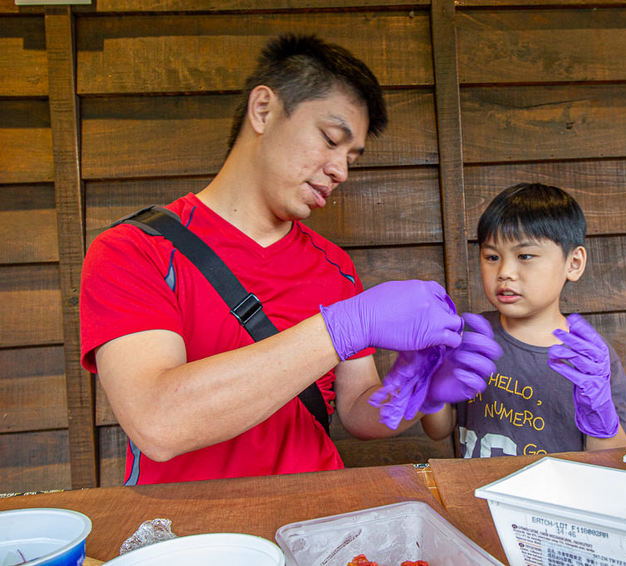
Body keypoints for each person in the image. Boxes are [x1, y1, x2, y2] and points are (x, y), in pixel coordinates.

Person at [80, 34, 495, 485]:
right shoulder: (134, 249)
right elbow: (158, 423)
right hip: (195, 535)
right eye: (331, 139)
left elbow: (357, 411)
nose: (341, 171)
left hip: (315, 522)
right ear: (263, 110)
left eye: (352, 156)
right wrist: (344, 326)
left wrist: (420, 387)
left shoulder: (333, 266)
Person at [422, 183, 626, 457]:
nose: (505, 272)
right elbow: (438, 430)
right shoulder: (466, 336)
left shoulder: (590, 360)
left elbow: (611, 458)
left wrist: (599, 417)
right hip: (475, 496)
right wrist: (431, 387)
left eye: (525, 256)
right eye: (492, 257)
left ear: (574, 263)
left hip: (558, 499)